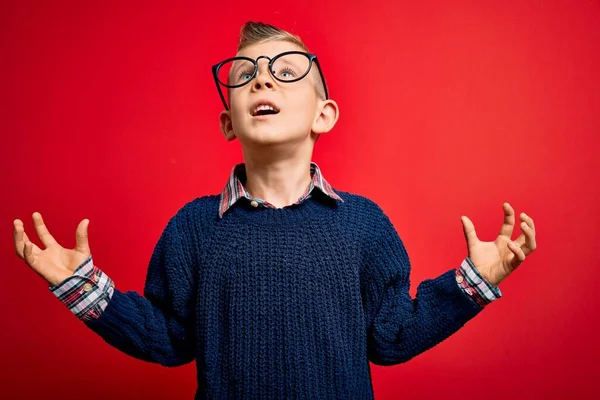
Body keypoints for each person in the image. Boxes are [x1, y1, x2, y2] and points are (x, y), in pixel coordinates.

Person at [12, 21, 537, 399]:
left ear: (324, 115)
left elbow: (393, 336)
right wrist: (82, 286)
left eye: (286, 71)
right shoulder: (194, 229)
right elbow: (170, 339)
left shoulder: (363, 225)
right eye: (244, 75)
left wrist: (473, 282)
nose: (262, 80)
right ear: (227, 122)